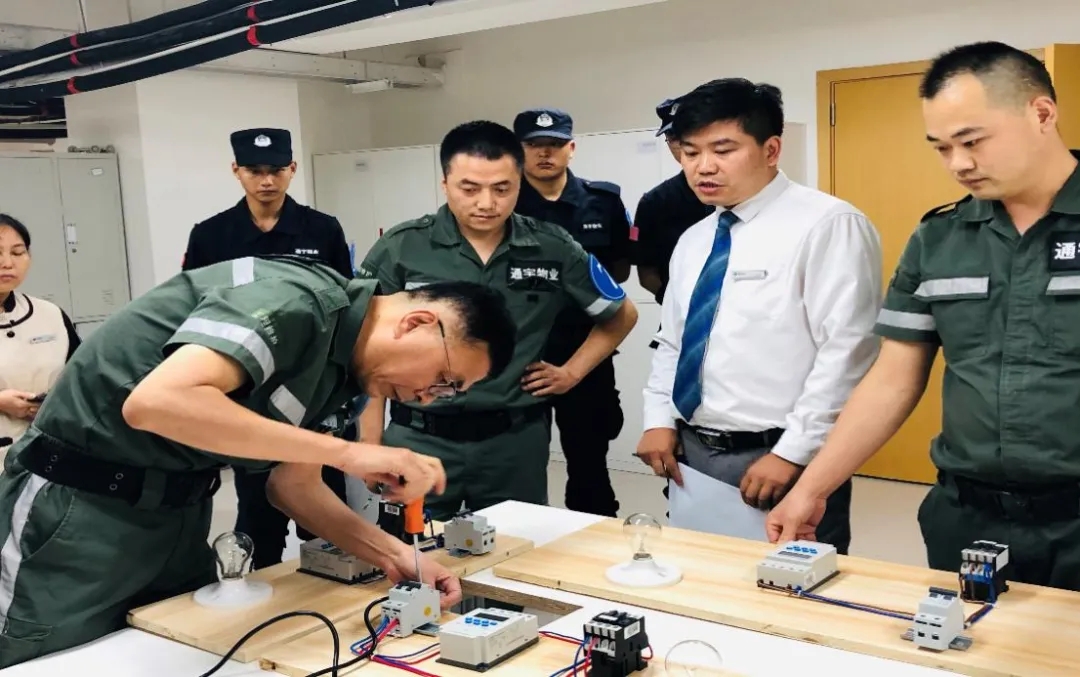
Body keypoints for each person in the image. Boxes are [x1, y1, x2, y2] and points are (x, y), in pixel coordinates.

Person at [0, 255, 516, 667]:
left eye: (448, 393)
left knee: (174, 651)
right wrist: (349, 452)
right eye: (444, 379)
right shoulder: (294, 303)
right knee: (43, 657)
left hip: (178, 515)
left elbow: (293, 486)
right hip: (75, 511)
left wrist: (395, 556)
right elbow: (156, 403)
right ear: (418, 322)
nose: (428, 397)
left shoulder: (345, 374)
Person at [767, 41, 1080, 590]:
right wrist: (812, 488)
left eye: (973, 141)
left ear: (1041, 113)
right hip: (970, 519)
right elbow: (892, 379)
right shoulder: (939, 238)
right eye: (942, 148)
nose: (959, 164)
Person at [638, 78, 882, 555]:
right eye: (690, 152)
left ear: (771, 150)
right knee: (699, 575)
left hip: (782, 456)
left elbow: (847, 355)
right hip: (692, 453)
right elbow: (674, 342)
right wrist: (658, 417)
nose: (703, 167)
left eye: (723, 149)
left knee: (792, 588)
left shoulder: (828, 225)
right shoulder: (695, 239)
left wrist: (792, 452)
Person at [358, 120, 639, 521]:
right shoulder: (402, 247)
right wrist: (369, 442)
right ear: (445, 184)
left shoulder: (552, 247)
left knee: (515, 547)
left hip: (513, 442)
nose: (486, 203)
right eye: (470, 189)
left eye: (502, 189)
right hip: (418, 436)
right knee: (408, 549)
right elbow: (364, 347)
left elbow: (620, 315)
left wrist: (571, 373)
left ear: (519, 184)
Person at [182, 127, 356, 569]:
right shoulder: (212, 235)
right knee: (259, 520)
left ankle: (333, 594)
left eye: (276, 170)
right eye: (255, 170)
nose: (266, 180)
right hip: (248, 388)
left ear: (292, 170)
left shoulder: (322, 229)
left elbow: (346, 306)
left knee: (326, 518)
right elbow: (194, 309)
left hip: (313, 386)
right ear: (236, 171)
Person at [511, 107, 633, 517]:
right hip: (522, 355)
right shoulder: (504, 204)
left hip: (587, 350)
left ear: (572, 148)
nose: (545, 153)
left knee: (589, 463)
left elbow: (619, 271)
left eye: (555, 144)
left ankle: (593, 537)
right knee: (519, 461)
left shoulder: (604, 201)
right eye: (534, 145)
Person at [0, 214, 81, 460]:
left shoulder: (50, 314)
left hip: (51, 454)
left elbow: (80, 376)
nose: (7, 263)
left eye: (17, 252)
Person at [632, 98, 715, 305]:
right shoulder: (655, 202)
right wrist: (675, 304)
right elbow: (646, 272)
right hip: (679, 311)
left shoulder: (740, 192)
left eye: (688, 132)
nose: (681, 144)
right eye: (673, 137)